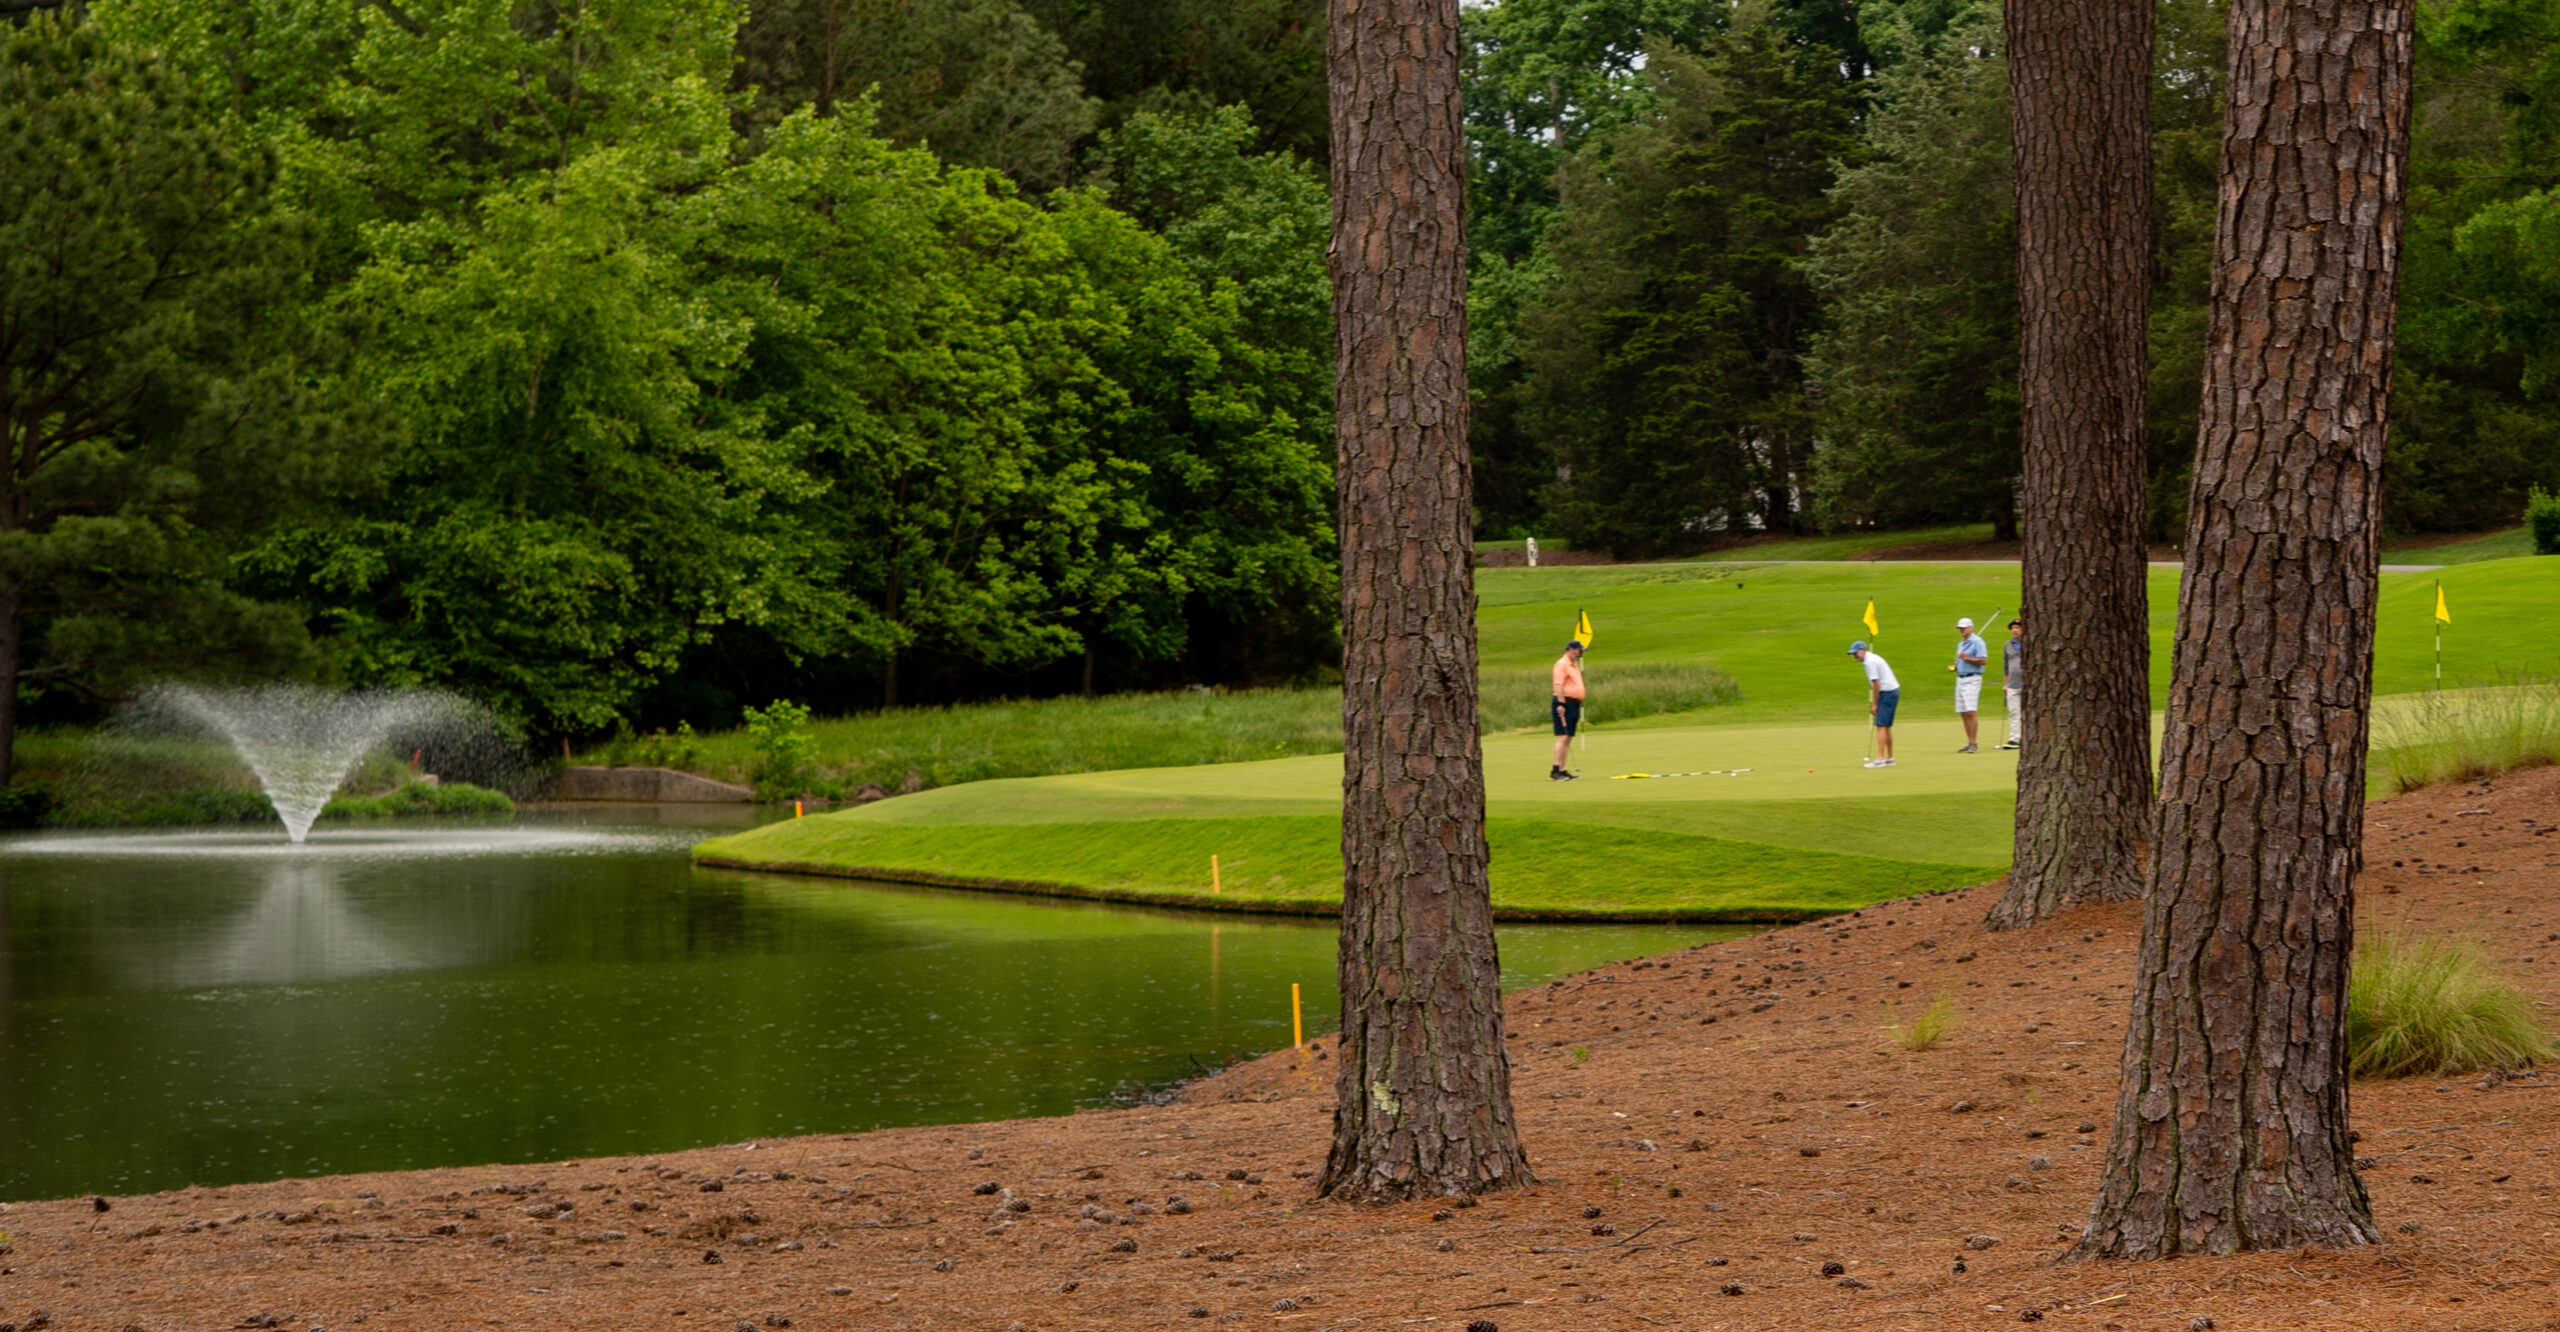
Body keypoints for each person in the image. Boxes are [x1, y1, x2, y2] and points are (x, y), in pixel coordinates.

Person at [1849, 640, 1899, 767]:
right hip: (1892, 691)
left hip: (1887, 692)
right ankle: (1890, 758)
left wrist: (1875, 705)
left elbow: (1876, 685)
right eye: (1853, 655)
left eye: (1856, 654)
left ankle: (1880, 759)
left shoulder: (1870, 661)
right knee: (1886, 726)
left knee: (1881, 725)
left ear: (1863, 650)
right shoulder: (1871, 659)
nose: (1854, 657)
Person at [1951, 616, 1989, 752]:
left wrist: (1965, 658)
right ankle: (1969, 741)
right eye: (1960, 628)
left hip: (1972, 679)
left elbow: (1983, 660)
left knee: (1971, 711)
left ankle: (1973, 743)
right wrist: (1955, 667)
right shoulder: (1961, 643)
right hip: (1960, 678)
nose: (1961, 631)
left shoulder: (1978, 642)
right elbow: (1960, 661)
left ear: (1970, 628)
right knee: (1963, 712)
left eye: (1963, 628)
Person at [1550, 639, 1586, 780]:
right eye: (1579, 651)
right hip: (1563, 703)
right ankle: (1555, 770)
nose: (1581, 654)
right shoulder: (1562, 664)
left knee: (1569, 737)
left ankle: (1563, 769)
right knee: (1563, 736)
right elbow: (1558, 685)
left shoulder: (1574, 665)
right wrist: (1561, 704)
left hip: (1573, 704)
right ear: (1572, 649)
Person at [1998, 619, 2024, 750]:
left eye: (2017, 627)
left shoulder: (2030, 643)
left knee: (2027, 713)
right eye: (2013, 628)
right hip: (2012, 685)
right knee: (2014, 712)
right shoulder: (2007, 645)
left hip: (2027, 684)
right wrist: (2005, 684)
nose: (2014, 630)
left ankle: (2027, 737)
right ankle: (2014, 739)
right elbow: (2006, 666)